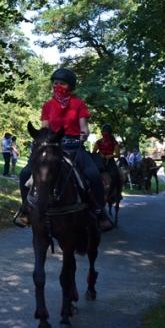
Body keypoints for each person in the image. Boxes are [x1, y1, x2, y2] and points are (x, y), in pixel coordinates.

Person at [15, 68, 113, 232]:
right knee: (25, 173)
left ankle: (99, 211)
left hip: (74, 147)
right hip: (53, 147)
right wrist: (43, 139)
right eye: (55, 83)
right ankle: (26, 209)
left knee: (93, 175)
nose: (57, 86)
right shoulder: (47, 106)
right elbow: (45, 129)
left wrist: (83, 135)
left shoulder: (79, 104)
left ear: (70, 86)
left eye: (62, 83)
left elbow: (84, 128)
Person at [92, 124, 122, 192]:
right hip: (100, 162)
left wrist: (111, 156)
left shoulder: (114, 142)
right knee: (93, 173)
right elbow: (93, 153)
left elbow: (118, 155)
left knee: (116, 175)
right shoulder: (98, 142)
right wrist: (99, 154)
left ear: (109, 133)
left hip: (110, 161)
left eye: (105, 131)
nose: (104, 133)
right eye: (103, 131)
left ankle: (117, 193)